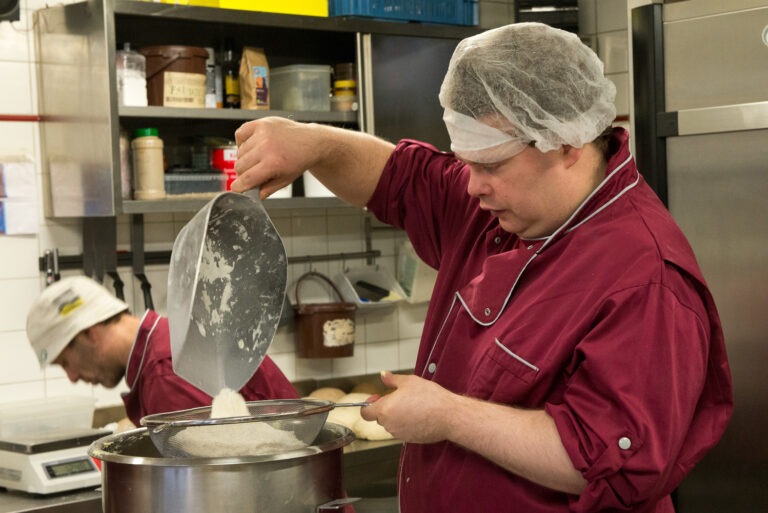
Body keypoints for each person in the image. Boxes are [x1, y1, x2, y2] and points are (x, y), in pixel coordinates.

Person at [232, 22, 733, 513]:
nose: (471, 186)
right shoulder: (504, 207)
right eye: (466, 163)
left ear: (566, 144)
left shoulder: (644, 278)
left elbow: (611, 458)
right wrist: (313, 142)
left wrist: (449, 416)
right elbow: (398, 178)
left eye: (490, 166)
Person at [26, 275, 299, 427]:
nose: (72, 377)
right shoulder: (165, 345)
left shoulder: (167, 370)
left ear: (88, 333)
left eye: (65, 362)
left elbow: (212, 489)